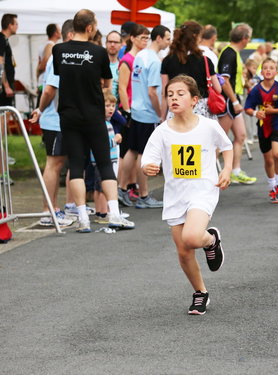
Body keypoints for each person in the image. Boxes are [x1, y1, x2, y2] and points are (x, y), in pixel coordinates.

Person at [141, 75, 233, 315]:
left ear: (194, 100)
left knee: (192, 238)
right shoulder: (162, 132)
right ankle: (200, 292)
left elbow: (227, 147)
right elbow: (148, 158)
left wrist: (226, 169)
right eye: (170, 94)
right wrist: (148, 167)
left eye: (180, 94)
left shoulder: (208, 126)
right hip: (176, 195)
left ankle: (210, 240)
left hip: (203, 190)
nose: (174, 98)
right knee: (183, 251)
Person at [50, 9, 134, 232]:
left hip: (68, 114)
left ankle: (82, 218)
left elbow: (62, 75)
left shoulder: (59, 50)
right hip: (93, 115)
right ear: (89, 28)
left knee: (77, 165)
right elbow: (107, 82)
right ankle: (114, 214)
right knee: (105, 164)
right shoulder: (98, 52)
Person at [118, 25, 170, 209]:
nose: (168, 42)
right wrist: (160, 113)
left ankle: (122, 188)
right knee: (144, 154)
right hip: (148, 112)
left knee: (131, 150)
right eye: (167, 38)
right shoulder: (155, 61)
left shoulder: (140, 55)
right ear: (158, 38)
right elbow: (153, 92)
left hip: (136, 109)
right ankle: (144, 195)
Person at [30, 19, 75, 228]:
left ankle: (54, 208)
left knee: (58, 164)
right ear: (71, 35)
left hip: (62, 119)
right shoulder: (59, 55)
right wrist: (40, 109)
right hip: (54, 119)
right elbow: (49, 89)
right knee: (54, 164)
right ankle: (47, 210)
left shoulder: (66, 55)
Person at [244, 58, 278, 203]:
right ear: (261, 71)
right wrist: (255, 113)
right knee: (268, 159)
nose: (268, 70)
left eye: (271, 68)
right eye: (265, 68)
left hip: (277, 125)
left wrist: (273, 111)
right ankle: (271, 186)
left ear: (276, 72)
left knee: (277, 154)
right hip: (262, 126)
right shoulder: (256, 90)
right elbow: (248, 108)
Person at [217, 23, 257, 184]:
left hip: (235, 100)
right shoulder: (229, 53)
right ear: (245, 38)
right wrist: (233, 101)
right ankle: (207, 174)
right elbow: (224, 80)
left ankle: (236, 171)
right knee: (219, 140)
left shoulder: (234, 53)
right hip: (228, 101)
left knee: (240, 135)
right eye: (249, 37)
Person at [161, 21, 220, 120]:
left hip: (176, 108)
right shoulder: (205, 60)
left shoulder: (167, 60)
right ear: (195, 36)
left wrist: (162, 117)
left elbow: (164, 92)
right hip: (201, 110)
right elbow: (218, 88)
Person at [92, 89, 122, 223]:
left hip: (100, 161)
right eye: (107, 106)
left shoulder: (105, 122)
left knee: (98, 187)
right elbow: (103, 143)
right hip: (105, 160)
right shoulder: (102, 124)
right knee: (104, 187)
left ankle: (100, 211)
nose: (111, 109)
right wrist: (115, 140)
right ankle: (104, 213)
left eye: (113, 106)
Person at [36, 24, 61, 105]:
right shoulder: (50, 45)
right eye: (59, 30)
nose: (61, 32)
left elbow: (39, 65)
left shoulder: (46, 45)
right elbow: (43, 64)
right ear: (55, 33)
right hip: (46, 82)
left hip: (42, 81)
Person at [0, 14, 18, 108]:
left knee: (6, 113)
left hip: (7, 83)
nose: (17, 27)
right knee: (4, 113)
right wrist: (6, 86)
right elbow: (0, 62)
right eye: (16, 24)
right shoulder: (1, 39)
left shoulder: (4, 40)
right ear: (10, 25)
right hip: (4, 86)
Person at [105, 30, 122, 99]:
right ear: (106, 43)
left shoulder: (123, 66)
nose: (112, 44)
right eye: (110, 42)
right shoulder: (99, 64)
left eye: (115, 42)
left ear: (121, 45)